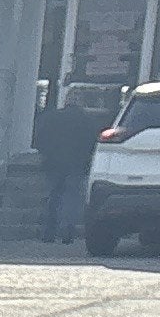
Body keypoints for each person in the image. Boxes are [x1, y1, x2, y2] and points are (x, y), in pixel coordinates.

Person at [33, 84, 103, 244]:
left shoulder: (52, 117)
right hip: (77, 164)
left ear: (66, 100)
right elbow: (93, 142)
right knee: (71, 198)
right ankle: (67, 232)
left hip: (53, 163)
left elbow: (40, 139)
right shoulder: (87, 120)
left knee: (53, 197)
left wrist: (46, 154)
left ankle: (48, 232)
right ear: (81, 102)